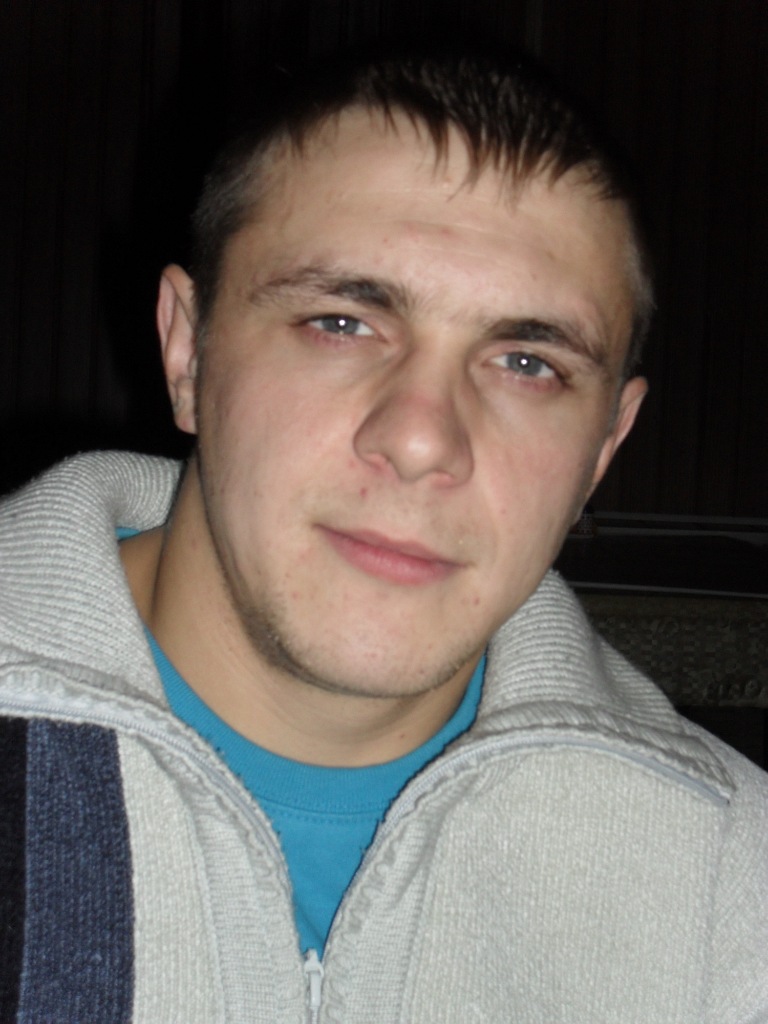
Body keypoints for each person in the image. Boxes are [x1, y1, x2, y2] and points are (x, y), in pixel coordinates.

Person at [0, 43, 766, 1024]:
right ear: (188, 351)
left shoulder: (730, 885)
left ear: (605, 446)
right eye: (341, 323)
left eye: (526, 363)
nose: (421, 439)